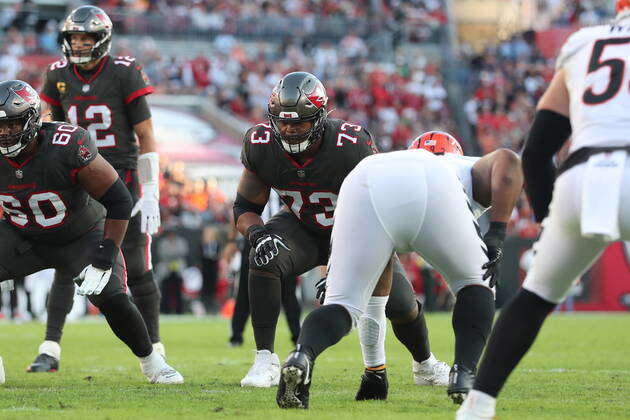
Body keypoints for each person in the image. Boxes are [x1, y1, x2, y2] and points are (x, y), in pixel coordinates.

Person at [457, 3, 630, 418]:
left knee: (533, 300)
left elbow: (535, 153)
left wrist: (550, 220)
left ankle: (476, 407)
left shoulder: (583, 43)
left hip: (583, 176)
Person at [234, 71, 447, 390]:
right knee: (264, 255)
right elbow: (244, 208)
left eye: (300, 122)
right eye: (283, 122)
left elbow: (380, 210)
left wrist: (339, 267)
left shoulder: (350, 144)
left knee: (402, 306)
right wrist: (257, 234)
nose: (290, 130)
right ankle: (265, 360)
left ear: (320, 118)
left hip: (359, 231)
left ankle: (425, 365)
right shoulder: (260, 143)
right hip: (302, 226)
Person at [276, 143, 508, 408]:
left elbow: (378, 285)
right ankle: (463, 372)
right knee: (475, 283)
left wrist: (375, 371)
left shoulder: (389, 161)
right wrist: (498, 234)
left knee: (343, 305)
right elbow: (508, 160)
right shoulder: (459, 165)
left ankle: (302, 354)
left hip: (362, 180)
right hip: (433, 181)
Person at [0, 80, 182, 384]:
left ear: (32, 120)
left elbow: (119, 199)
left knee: (111, 296)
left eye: (13, 124)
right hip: (24, 236)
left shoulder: (66, 145)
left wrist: (105, 257)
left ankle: (151, 361)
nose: (5, 133)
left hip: (79, 234)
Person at [31, 5, 163, 372]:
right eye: (74, 37)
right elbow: (48, 131)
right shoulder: (57, 74)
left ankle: (155, 346)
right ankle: (50, 348)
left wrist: (151, 189)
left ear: (102, 39)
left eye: (87, 37)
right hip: (77, 175)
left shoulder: (124, 71)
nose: (80, 44)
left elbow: (146, 136)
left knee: (136, 263)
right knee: (65, 258)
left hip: (121, 174)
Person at [227, 190, 301, 347]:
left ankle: (297, 335)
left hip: (283, 238)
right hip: (254, 238)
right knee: (245, 289)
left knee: (289, 290)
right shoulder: (254, 183)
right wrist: (232, 240)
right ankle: (236, 335)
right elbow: (238, 211)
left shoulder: (285, 184)